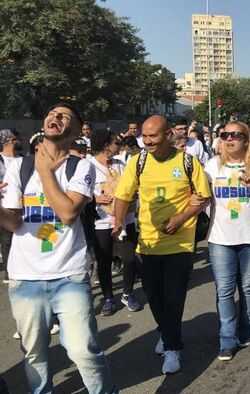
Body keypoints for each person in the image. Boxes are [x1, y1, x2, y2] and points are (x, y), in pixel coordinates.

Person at [0, 103, 116, 393]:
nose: (55, 117)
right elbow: (13, 223)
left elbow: (67, 213)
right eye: (52, 113)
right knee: (34, 353)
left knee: (83, 351)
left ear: (76, 130)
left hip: (69, 276)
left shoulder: (81, 167)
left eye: (64, 116)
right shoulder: (19, 167)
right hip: (25, 278)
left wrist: (46, 172)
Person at [113, 115, 212, 374]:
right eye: (144, 136)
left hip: (180, 244)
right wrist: (118, 221)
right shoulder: (138, 162)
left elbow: (204, 197)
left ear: (167, 135)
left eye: (153, 136)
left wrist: (180, 219)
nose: (147, 141)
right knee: (154, 295)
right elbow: (123, 195)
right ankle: (166, 331)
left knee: (174, 296)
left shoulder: (188, 162)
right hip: (147, 243)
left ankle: (172, 347)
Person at [204, 121, 250, 361]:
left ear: (246, 139)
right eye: (224, 135)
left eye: (236, 134)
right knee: (224, 290)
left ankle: (249, 328)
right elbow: (201, 196)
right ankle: (227, 338)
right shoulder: (212, 166)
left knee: (246, 287)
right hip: (220, 237)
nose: (229, 138)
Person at [89, 129, 141, 316]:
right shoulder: (88, 165)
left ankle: (128, 293)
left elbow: (132, 184)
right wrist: (96, 198)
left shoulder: (121, 164)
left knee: (129, 258)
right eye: (116, 143)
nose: (119, 147)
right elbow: (79, 191)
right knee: (104, 262)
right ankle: (108, 297)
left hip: (125, 220)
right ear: (105, 146)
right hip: (101, 222)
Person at [0, 129, 22, 282]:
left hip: (22, 206)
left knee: (20, 237)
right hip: (3, 206)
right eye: (17, 137)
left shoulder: (23, 159)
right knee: (7, 239)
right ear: (11, 140)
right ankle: (9, 271)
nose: (19, 140)